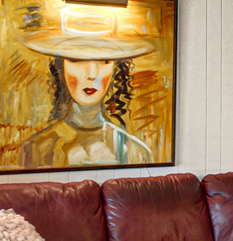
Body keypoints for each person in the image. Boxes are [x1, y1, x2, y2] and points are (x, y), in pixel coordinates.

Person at [16, 31, 155, 169]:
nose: (92, 75)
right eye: (76, 60)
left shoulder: (135, 150)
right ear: (60, 67)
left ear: (115, 69)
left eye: (104, 61)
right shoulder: (36, 148)